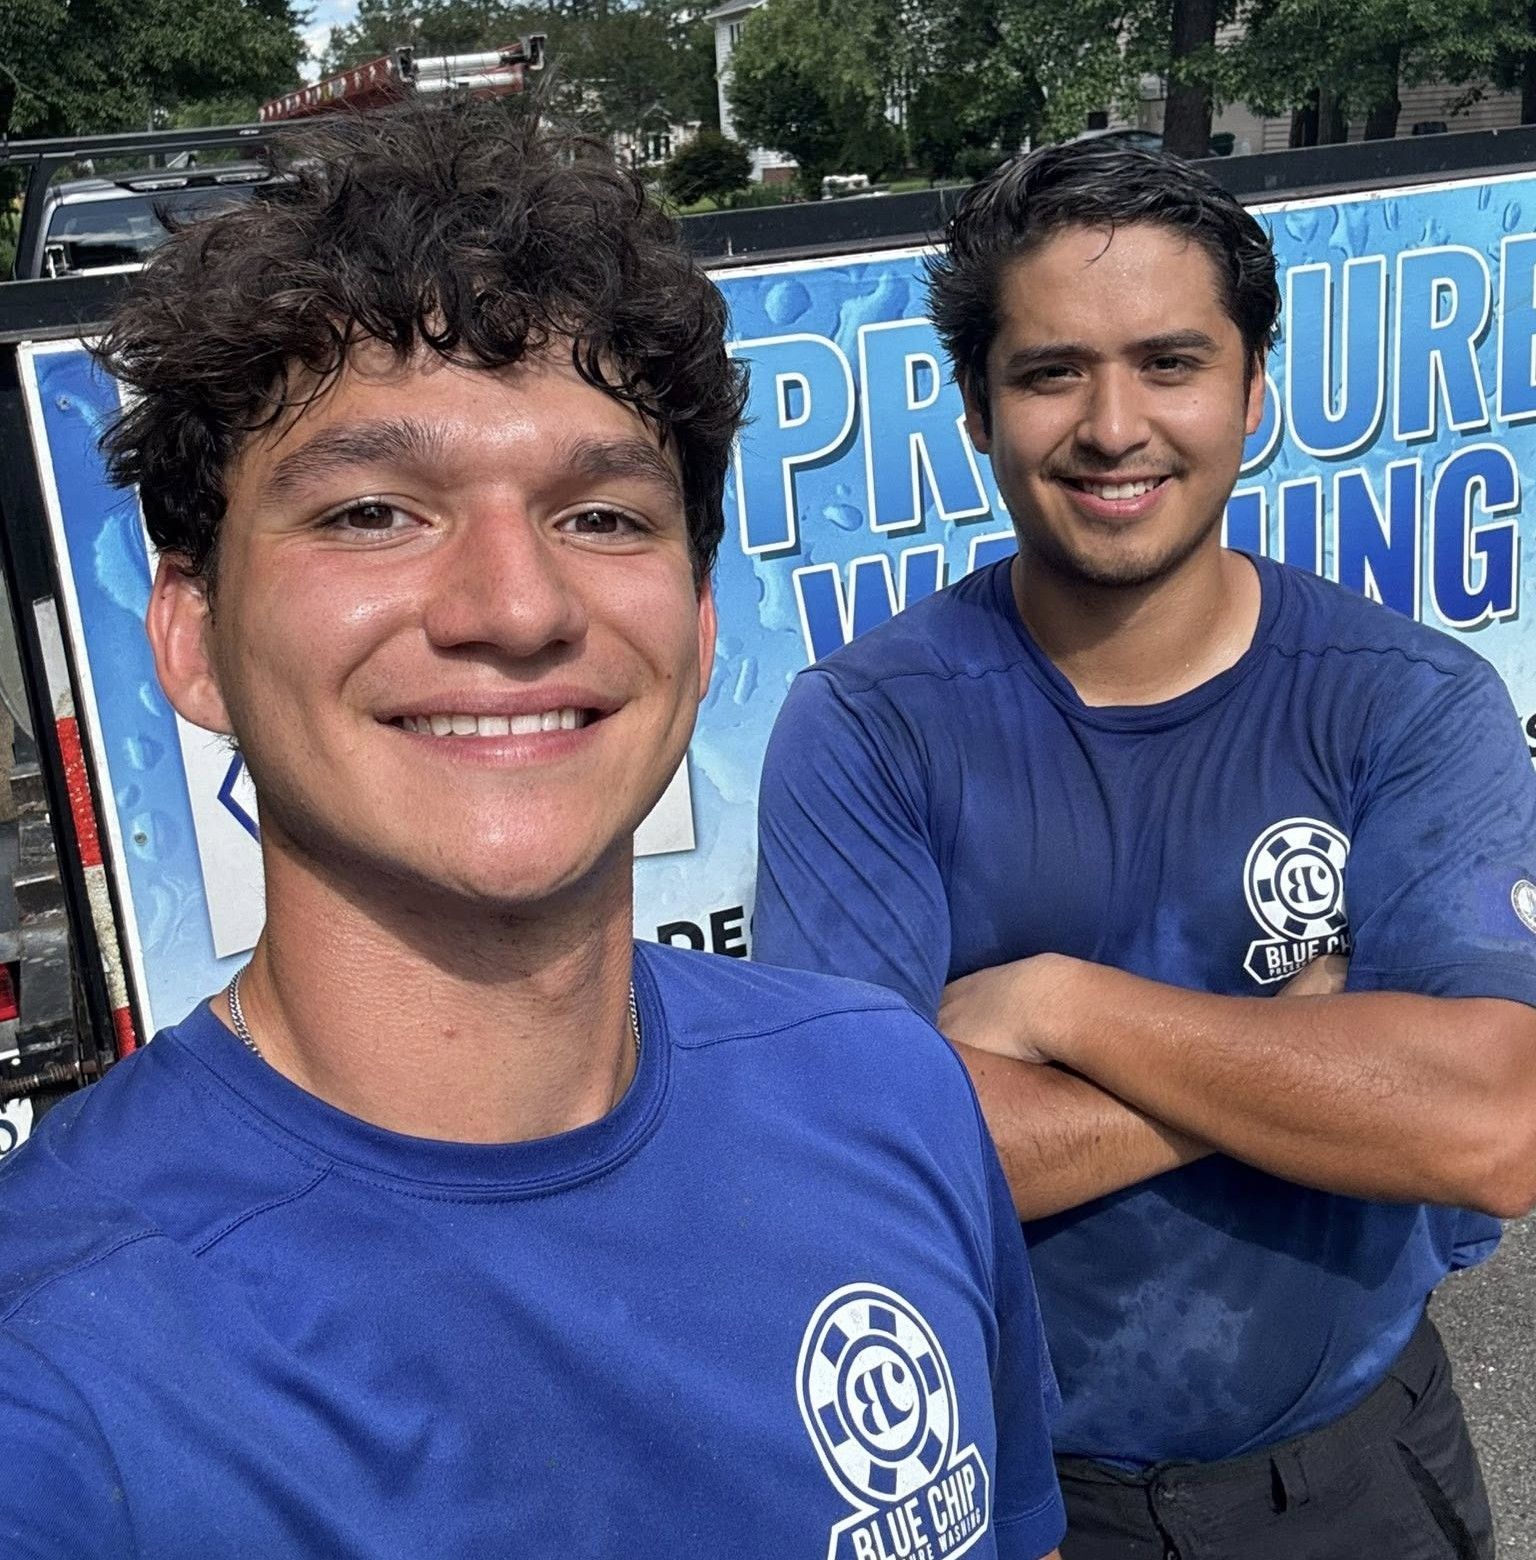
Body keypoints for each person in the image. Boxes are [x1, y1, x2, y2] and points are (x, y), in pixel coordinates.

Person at [0, 103, 1066, 1560]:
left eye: (605, 517)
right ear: (189, 637)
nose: (515, 605)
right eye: (374, 511)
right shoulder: (60, 1382)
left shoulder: (887, 1092)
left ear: (696, 628)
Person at [753, 139, 1536, 1560]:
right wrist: (1309, 1054)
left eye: (1171, 363)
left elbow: (1489, 1125)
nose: (1114, 425)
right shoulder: (868, 729)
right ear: (979, 414)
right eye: (1052, 371)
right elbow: (864, 1164)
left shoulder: (1408, 703)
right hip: (1032, 1498)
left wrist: (1065, 1009)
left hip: (1356, 1474)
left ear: (1252, 394)